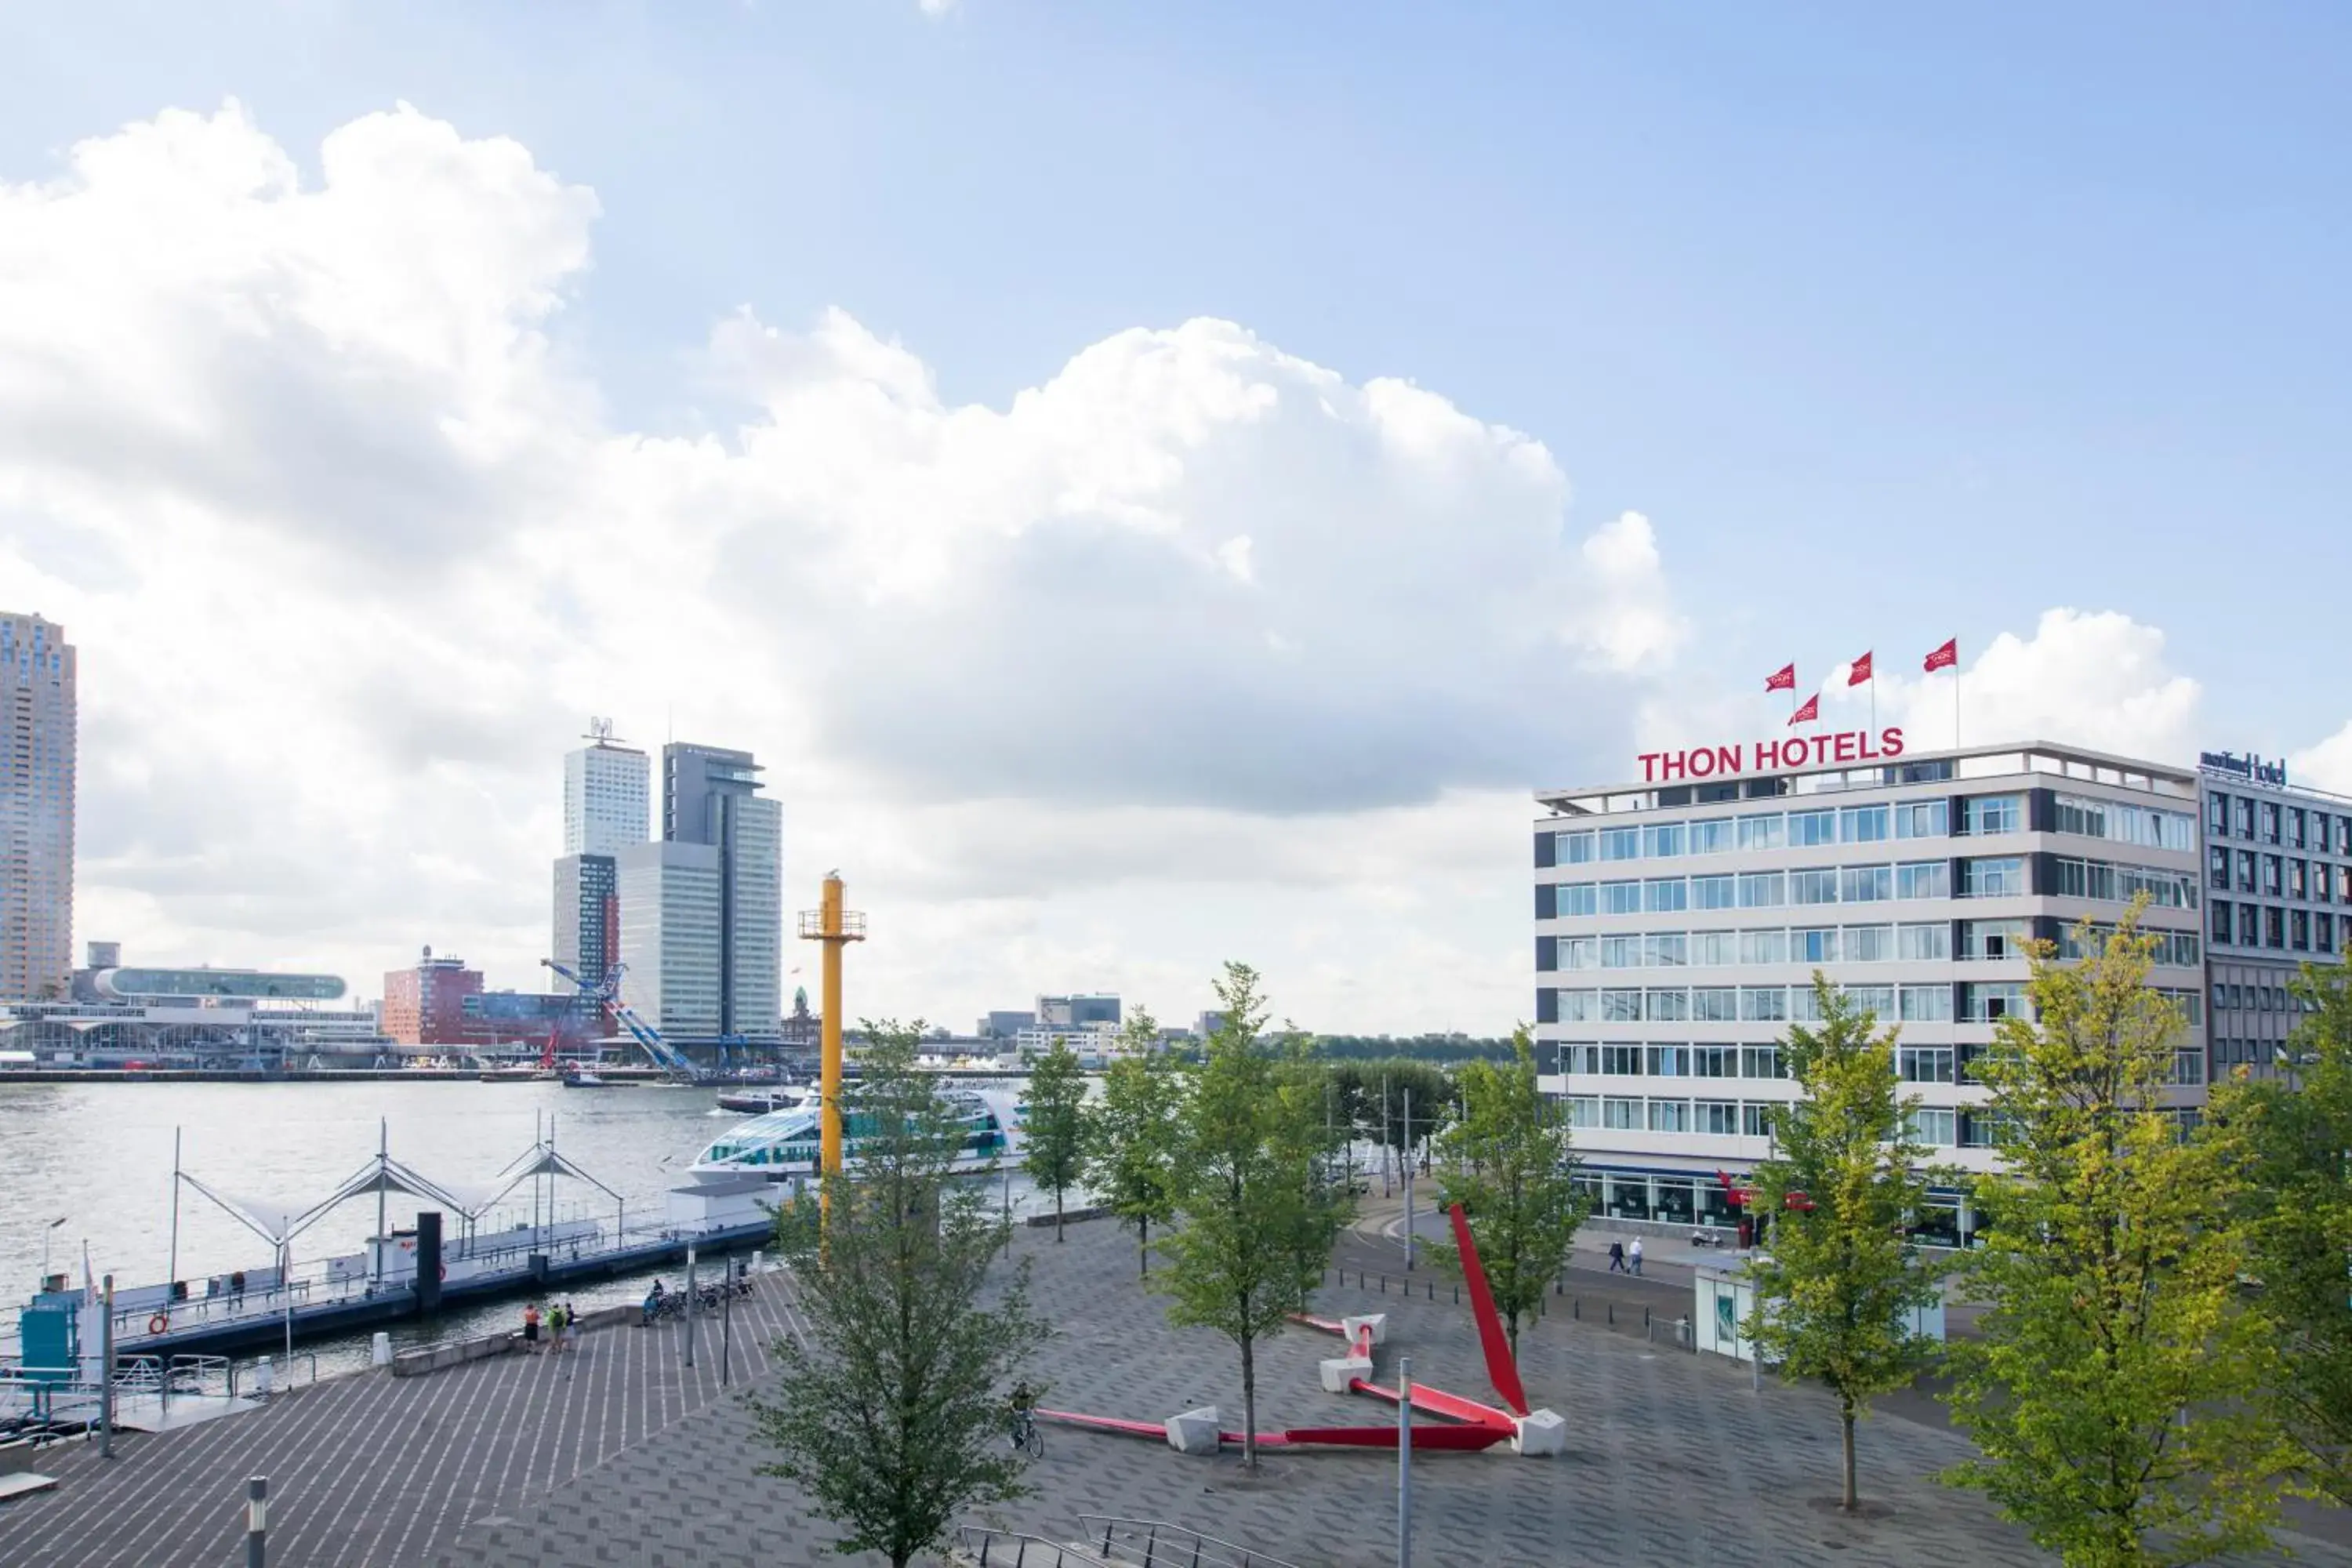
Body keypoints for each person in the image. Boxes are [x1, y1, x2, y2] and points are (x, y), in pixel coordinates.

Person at [1007, 1379, 1036, 1447]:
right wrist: (1015, 1411)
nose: (1025, 1390)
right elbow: (1011, 1404)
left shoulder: (1027, 1394)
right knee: (1017, 1428)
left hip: (1024, 1410)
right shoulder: (1015, 1395)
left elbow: (1033, 1396)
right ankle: (1013, 1437)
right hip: (1016, 1412)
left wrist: (1032, 1406)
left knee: (1031, 1420)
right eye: (1023, 1388)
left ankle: (1030, 1435)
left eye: (1025, 1388)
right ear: (1020, 1388)